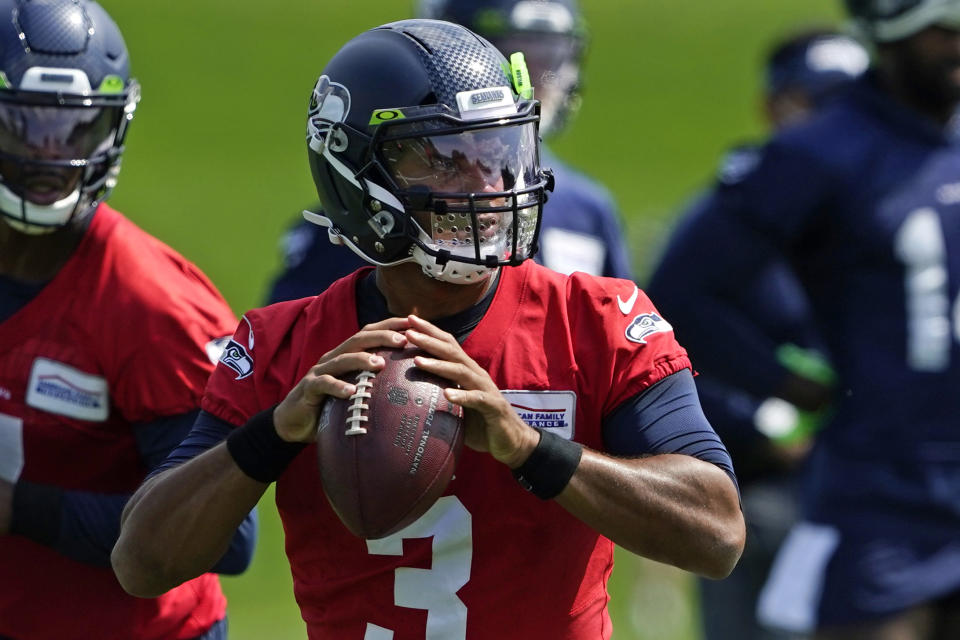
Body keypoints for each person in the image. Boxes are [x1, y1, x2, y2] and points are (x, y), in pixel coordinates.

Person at [112, 19, 745, 639]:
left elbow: (716, 536)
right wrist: (273, 434)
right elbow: (142, 564)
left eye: (498, 152)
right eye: (445, 160)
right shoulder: (284, 344)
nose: (489, 187)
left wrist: (528, 449)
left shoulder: (599, 320)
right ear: (355, 176)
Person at [649, 0, 960, 637]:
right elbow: (684, 292)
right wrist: (790, 386)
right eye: (942, 28)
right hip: (882, 503)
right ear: (888, 27)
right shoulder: (821, 152)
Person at [0, 1, 256, 638]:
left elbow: (222, 535)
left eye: (76, 131)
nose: (49, 157)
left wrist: (15, 508)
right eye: (23, 129)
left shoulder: (153, 306)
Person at [649, 29, 868, 640]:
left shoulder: (881, 209)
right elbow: (665, 340)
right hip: (760, 483)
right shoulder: (739, 216)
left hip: (864, 485)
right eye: (814, 102)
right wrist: (763, 419)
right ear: (774, 107)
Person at [265, 0, 632, 305]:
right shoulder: (375, 217)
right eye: (444, 163)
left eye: (551, 58)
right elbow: (298, 349)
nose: (538, 77)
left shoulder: (588, 210)